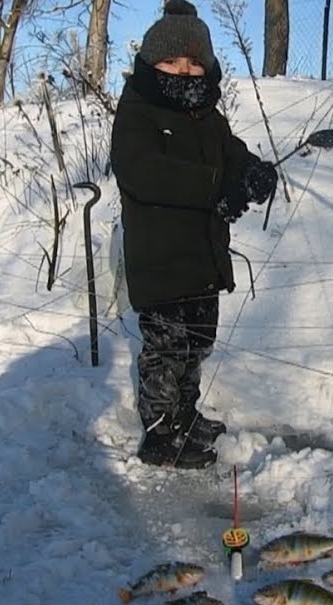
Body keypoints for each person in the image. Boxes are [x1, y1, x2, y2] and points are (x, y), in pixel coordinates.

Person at [110, 0, 278, 469]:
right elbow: (142, 171)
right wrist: (214, 186)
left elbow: (234, 156)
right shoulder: (138, 111)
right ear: (149, 63)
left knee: (198, 341)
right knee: (167, 347)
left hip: (203, 256)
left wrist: (252, 173)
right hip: (161, 256)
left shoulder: (209, 117)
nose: (183, 71)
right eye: (171, 61)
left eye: (192, 62)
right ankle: (161, 432)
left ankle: (185, 414)